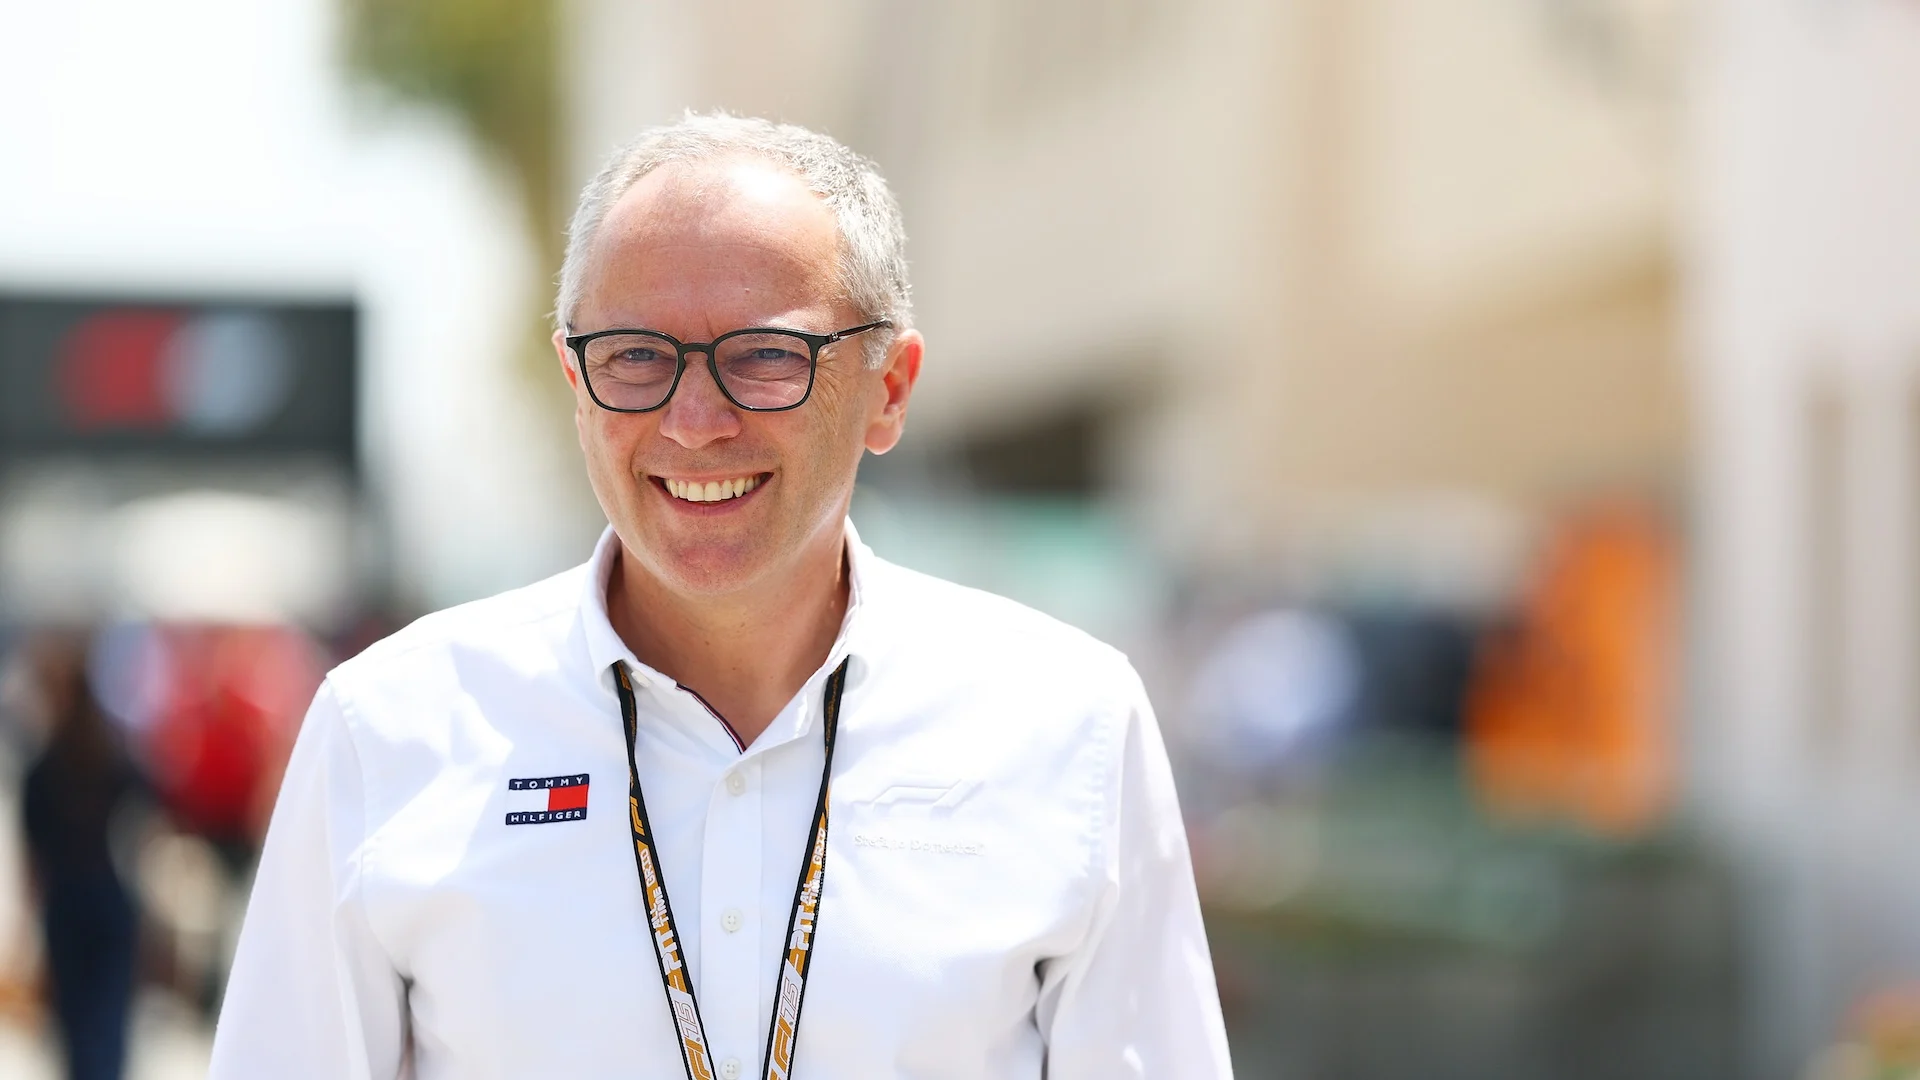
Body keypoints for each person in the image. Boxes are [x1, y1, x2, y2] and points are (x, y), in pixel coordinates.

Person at [208, 113, 1232, 1079]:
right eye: (636, 357)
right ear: (576, 385)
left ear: (888, 389)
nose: (694, 420)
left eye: (766, 355)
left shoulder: (1070, 726)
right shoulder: (386, 730)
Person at [20, 632, 147, 1080]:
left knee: (76, 1027)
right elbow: (149, 813)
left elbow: (34, 861)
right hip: (109, 898)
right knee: (107, 1023)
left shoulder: (43, 769)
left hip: (68, 904)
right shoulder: (114, 756)